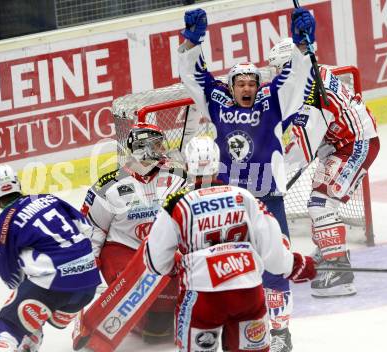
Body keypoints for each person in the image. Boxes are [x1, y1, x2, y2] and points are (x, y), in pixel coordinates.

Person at [177, 7, 317, 351]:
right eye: (241, 82)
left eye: (252, 82)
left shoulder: (271, 101)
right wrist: (191, 41)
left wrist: (304, 44)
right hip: (229, 203)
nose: (247, 87)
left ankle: (280, 330)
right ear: (231, 86)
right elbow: (194, 76)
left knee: (274, 265)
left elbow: (297, 78)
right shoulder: (218, 100)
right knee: (227, 267)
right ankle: (227, 322)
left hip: (267, 199)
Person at [144, 136, 317, 352]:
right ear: (218, 166)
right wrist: (299, 265)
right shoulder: (244, 196)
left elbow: (156, 262)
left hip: (202, 296)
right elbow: (273, 253)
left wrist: (177, 264)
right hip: (248, 293)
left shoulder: (176, 204)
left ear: (188, 166)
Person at [268, 37, 380, 298]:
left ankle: (339, 270)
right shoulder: (313, 74)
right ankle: (330, 249)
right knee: (319, 197)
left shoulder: (312, 96)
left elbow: (301, 151)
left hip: (355, 144)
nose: (275, 76)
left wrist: (274, 172)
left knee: (321, 204)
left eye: (278, 70)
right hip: (341, 142)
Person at [81, 122, 188, 343]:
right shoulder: (108, 185)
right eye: (157, 145)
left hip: (161, 250)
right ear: (142, 147)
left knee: (160, 330)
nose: (162, 150)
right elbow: (93, 229)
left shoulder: (177, 176)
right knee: (144, 314)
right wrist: (89, 268)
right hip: (124, 253)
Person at [0, 164, 101, 352]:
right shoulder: (49, 198)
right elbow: (86, 228)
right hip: (88, 284)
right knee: (35, 309)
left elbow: (10, 277)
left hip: (56, 286)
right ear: (18, 185)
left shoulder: (3, 224)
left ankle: (22, 340)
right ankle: (28, 342)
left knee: (9, 325)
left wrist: (27, 275)